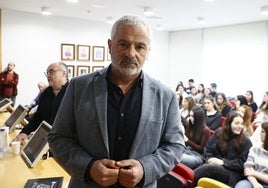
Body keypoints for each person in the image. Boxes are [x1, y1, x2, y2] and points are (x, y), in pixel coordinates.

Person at [48, 15, 186, 188]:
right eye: (123, 44)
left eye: (140, 46)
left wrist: (145, 168)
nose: (131, 53)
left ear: (148, 51)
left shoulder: (166, 96)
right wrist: (88, 167)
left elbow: (175, 147)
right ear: (110, 45)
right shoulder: (79, 87)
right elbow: (58, 138)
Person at [13, 62, 68, 144]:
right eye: (47, 72)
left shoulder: (72, 93)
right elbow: (38, 117)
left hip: (65, 143)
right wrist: (24, 132)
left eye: (52, 71)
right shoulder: (46, 92)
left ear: (64, 73)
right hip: (45, 140)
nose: (48, 75)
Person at [193, 111, 252, 187]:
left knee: (211, 168)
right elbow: (207, 150)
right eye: (237, 123)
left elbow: (241, 164)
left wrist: (223, 162)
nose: (240, 126)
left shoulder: (246, 141)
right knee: (210, 167)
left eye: (241, 124)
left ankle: (188, 179)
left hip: (231, 173)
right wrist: (210, 159)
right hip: (211, 165)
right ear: (229, 124)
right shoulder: (219, 132)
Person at [235, 122, 268, 188]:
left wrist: (254, 173)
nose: (260, 134)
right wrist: (255, 183)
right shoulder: (255, 149)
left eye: (263, 132)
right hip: (252, 180)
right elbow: (248, 169)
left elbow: (251, 172)